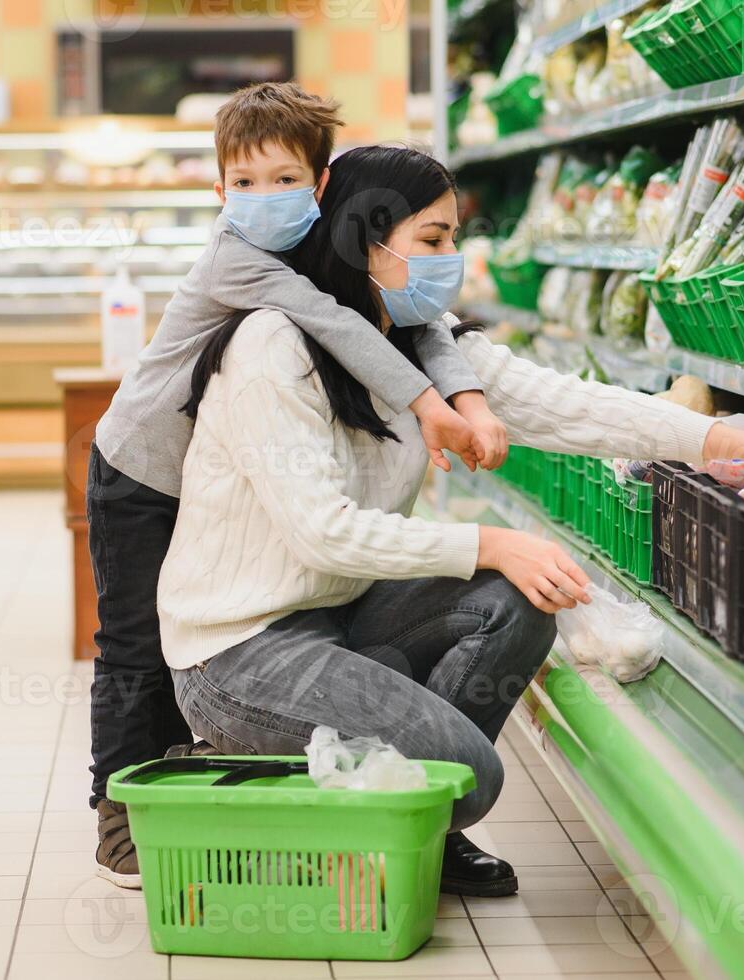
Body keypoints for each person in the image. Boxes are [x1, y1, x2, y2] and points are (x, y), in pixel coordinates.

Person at [158, 145, 744, 897]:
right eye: (431, 241)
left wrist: (738, 443)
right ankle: (266, 780)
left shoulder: (415, 342)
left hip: (336, 613)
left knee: (525, 597)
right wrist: (491, 540)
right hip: (237, 651)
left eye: (452, 239)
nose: (449, 260)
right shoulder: (274, 347)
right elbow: (322, 531)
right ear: (365, 241)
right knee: (469, 773)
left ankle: (413, 829)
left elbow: (565, 404)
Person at [87, 85, 510, 888]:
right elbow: (341, 325)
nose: (261, 198)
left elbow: (424, 324)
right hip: (141, 467)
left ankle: (211, 761)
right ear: (218, 191)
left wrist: (467, 394)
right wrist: (427, 400)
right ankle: (116, 809)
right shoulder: (237, 255)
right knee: (136, 645)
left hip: (216, 467)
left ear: (320, 186)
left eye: (283, 180)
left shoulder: (323, 238)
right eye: (242, 184)